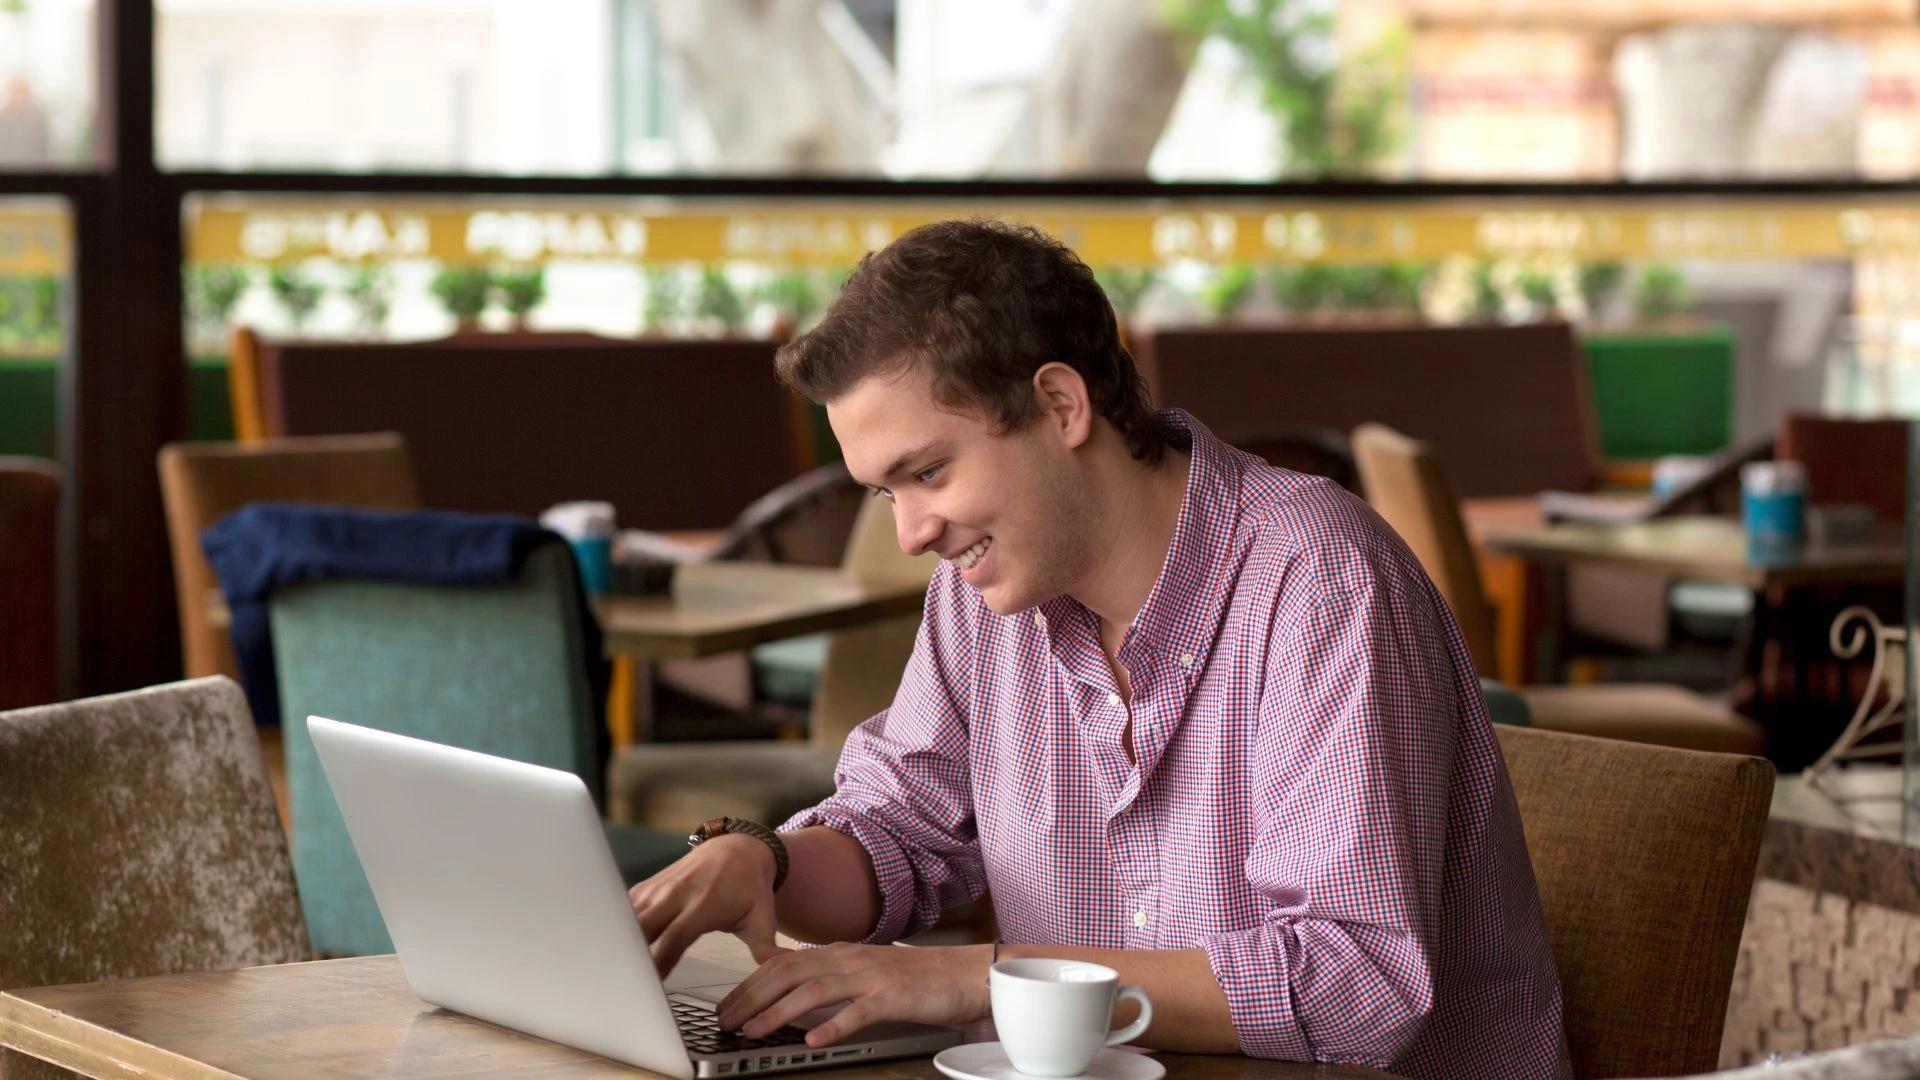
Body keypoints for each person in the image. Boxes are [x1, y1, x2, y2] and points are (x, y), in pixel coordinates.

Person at [628, 219, 1572, 1079]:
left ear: (1060, 404)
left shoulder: (1320, 581)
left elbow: (1356, 988)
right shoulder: (983, 599)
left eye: (928, 471)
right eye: (886, 491)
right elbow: (901, 832)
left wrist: (976, 980)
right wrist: (767, 861)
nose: (912, 532)